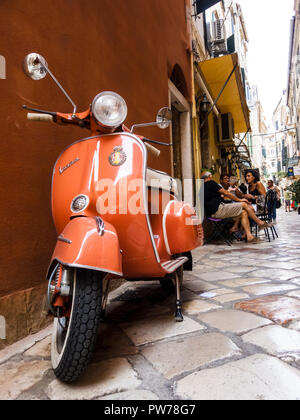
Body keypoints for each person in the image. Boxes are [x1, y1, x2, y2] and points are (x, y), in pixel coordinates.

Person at [202, 172, 271, 242]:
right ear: (209, 177)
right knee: (243, 204)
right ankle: (259, 222)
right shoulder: (210, 183)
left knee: (244, 212)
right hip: (218, 210)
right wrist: (240, 200)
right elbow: (226, 193)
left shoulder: (202, 187)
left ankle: (249, 236)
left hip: (213, 212)